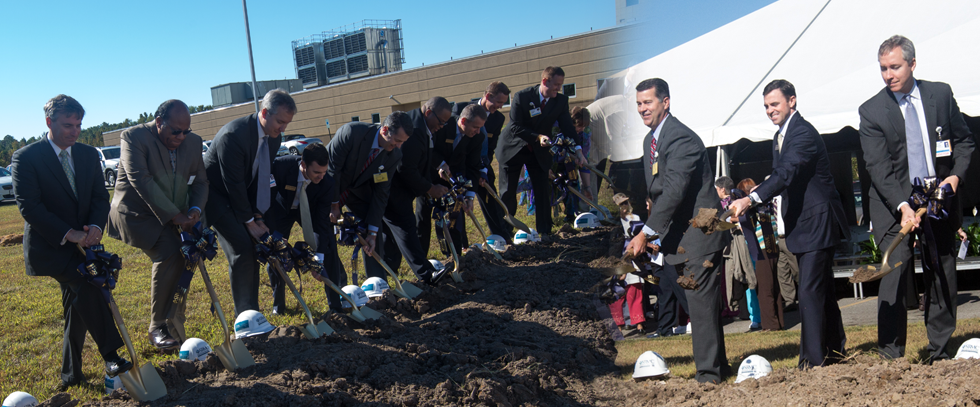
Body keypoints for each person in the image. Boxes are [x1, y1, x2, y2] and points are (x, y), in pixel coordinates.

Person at [858, 35, 974, 362]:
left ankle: (939, 350)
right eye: (883, 68)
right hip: (892, 200)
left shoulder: (940, 94)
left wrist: (954, 177)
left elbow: (965, 143)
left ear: (912, 63)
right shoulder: (871, 111)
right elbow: (877, 167)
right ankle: (891, 356)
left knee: (941, 268)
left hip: (937, 195)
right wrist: (904, 205)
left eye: (895, 67)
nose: (888, 75)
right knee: (894, 269)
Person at [12, 95, 131, 389]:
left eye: (78, 124)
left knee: (76, 308)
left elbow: (99, 198)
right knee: (87, 284)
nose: (75, 131)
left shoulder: (89, 155)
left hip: (84, 244)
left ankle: (71, 374)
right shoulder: (26, 158)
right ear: (49, 122)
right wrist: (69, 233)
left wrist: (93, 227)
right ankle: (112, 355)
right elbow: (31, 207)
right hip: (51, 248)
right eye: (68, 125)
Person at [730, 79, 850, 368]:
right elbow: (781, 175)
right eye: (766, 106)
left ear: (792, 101)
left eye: (775, 104)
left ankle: (812, 360)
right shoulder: (780, 136)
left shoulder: (802, 133)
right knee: (823, 291)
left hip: (818, 220)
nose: (770, 111)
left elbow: (787, 171)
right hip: (803, 224)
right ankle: (834, 350)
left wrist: (751, 198)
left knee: (808, 289)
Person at [625, 78, 730, 383]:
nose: (643, 109)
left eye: (648, 102)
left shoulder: (681, 138)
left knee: (700, 308)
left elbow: (673, 192)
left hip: (700, 235)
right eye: (639, 104)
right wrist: (658, 235)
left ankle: (709, 378)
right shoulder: (651, 141)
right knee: (700, 310)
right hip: (676, 240)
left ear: (666, 102)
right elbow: (659, 194)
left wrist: (646, 233)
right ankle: (717, 368)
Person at [106, 99, 208, 350]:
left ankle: (174, 321)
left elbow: (201, 182)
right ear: (159, 123)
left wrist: (194, 211)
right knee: (169, 250)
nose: (182, 137)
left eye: (187, 131)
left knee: (188, 256)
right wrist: (176, 216)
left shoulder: (193, 143)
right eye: (176, 131)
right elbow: (141, 180)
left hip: (178, 215)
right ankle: (157, 327)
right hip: (136, 214)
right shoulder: (133, 137)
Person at [204, 89, 294, 315]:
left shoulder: (273, 139)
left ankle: (252, 313)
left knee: (257, 246)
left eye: (287, 123)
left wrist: (258, 216)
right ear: (264, 112)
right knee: (243, 248)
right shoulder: (233, 136)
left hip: (240, 196)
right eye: (280, 122)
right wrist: (249, 221)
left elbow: (260, 178)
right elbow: (233, 183)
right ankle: (245, 316)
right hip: (215, 196)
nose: (283, 129)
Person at [497, 66, 586, 236]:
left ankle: (545, 233)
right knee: (508, 192)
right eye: (556, 84)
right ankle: (505, 233)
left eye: (561, 85)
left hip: (538, 151)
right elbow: (515, 126)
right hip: (514, 148)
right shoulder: (522, 97)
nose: (559, 88)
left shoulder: (560, 101)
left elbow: (568, 127)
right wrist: (537, 136)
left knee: (543, 190)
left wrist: (578, 150)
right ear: (545, 81)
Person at [326, 112, 411, 281]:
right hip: (329, 186)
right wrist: (334, 205)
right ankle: (339, 283)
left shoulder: (394, 155)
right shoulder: (351, 133)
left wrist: (371, 232)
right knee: (324, 233)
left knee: (372, 227)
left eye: (402, 142)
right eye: (397, 140)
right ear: (385, 130)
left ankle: (377, 282)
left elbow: (381, 193)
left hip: (357, 191)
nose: (399, 146)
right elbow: (332, 171)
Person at [264, 143, 343, 314]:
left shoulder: (327, 182)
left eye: (324, 172)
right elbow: (267, 200)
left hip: (309, 211)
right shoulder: (281, 166)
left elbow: (321, 222)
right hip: (280, 210)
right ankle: (279, 305)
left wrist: (319, 258)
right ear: (304, 164)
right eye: (316, 172)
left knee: (328, 245)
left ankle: (335, 305)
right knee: (276, 252)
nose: (321, 176)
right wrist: (273, 232)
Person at [383, 97, 451, 285]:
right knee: (406, 228)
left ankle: (387, 276)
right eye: (441, 122)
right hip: (394, 188)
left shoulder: (425, 127)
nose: (442, 126)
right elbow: (405, 168)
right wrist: (429, 188)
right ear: (429, 113)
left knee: (391, 235)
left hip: (402, 188)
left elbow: (422, 162)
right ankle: (426, 274)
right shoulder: (415, 129)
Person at [419, 104, 488, 258]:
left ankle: (455, 256)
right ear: (463, 121)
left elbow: (473, 166)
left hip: (453, 179)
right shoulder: (442, 127)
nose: (478, 131)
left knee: (454, 217)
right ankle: (421, 257)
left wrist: (470, 196)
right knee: (423, 218)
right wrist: (440, 164)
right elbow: (428, 149)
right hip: (429, 176)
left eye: (480, 128)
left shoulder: (477, 137)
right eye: (475, 127)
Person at [453, 82, 511, 239]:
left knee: (491, 200)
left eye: (503, 103)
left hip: (481, 164)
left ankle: (501, 237)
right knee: (457, 204)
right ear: (488, 96)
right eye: (498, 102)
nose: (500, 106)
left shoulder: (498, 118)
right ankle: (463, 244)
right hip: (460, 165)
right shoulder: (461, 109)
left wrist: (483, 170)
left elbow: (490, 147)